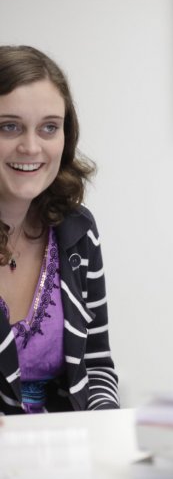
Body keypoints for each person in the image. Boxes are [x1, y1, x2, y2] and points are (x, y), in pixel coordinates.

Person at [0, 46, 119, 413]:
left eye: (49, 127)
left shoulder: (76, 231)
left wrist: (108, 430)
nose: (31, 147)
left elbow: (96, 366)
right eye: (9, 126)